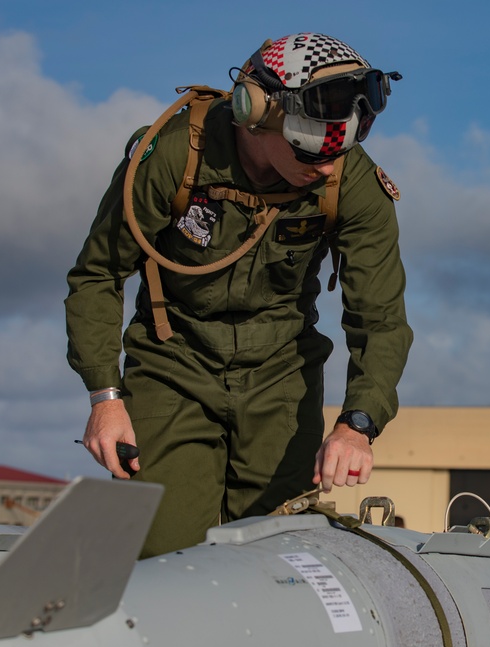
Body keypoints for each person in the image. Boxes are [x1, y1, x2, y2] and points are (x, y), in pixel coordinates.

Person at [65, 33, 413, 558]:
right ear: (257, 114)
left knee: (279, 557)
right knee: (164, 557)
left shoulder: (350, 180)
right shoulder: (174, 156)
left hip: (281, 377)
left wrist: (357, 424)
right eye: (310, 151)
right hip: (172, 365)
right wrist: (105, 398)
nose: (325, 169)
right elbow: (98, 274)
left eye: (339, 154)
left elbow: (380, 317)